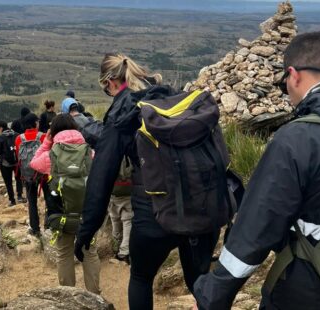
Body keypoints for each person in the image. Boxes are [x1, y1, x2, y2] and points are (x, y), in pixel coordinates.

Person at [193, 32, 320, 310]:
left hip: (310, 287)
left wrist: (211, 297)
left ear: (294, 75)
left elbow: (254, 233)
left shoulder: (298, 138)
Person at [74, 53, 220, 310]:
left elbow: (102, 175)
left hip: (155, 213)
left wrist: (87, 228)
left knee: (141, 278)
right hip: (201, 205)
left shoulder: (123, 112)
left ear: (110, 82)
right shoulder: (170, 95)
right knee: (199, 282)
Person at [30, 113, 101, 294]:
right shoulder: (90, 153)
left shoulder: (50, 156)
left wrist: (46, 142)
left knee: (64, 253)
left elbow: (33, 163)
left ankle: (68, 297)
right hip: (87, 216)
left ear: (53, 133)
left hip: (60, 217)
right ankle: (94, 296)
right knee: (90, 252)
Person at [15, 113, 49, 237]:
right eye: (38, 121)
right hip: (43, 175)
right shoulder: (43, 136)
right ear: (35, 123)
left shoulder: (19, 139)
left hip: (28, 175)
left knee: (32, 202)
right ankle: (48, 225)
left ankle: (35, 229)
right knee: (49, 200)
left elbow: (18, 157)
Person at [0, 121, 24, 206]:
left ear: (1, 128)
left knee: (8, 182)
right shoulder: (17, 135)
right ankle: (20, 196)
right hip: (17, 162)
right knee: (19, 179)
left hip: (5, 164)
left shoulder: (0, 138)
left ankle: (12, 200)